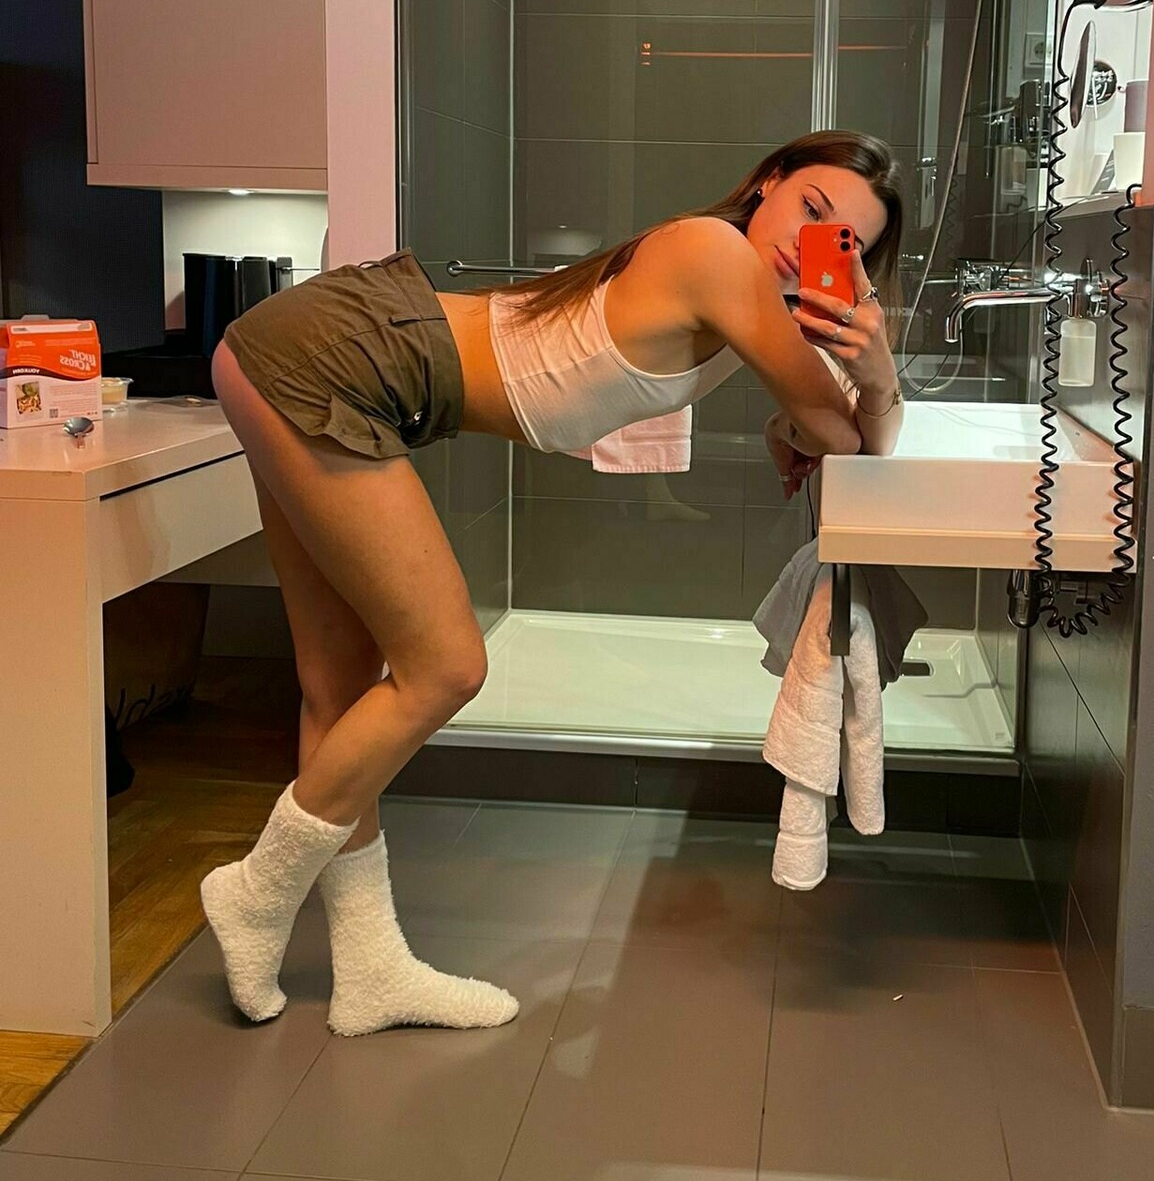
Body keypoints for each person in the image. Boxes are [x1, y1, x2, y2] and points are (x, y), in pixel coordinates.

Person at [201, 130, 906, 1035]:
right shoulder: (720, 255)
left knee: (339, 692)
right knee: (446, 667)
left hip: (330, 354)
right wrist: (875, 374)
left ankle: (370, 968)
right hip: (338, 355)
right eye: (811, 209)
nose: (811, 244)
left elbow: (831, 436)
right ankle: (257, 892)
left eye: (844, 241)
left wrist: (817, 409)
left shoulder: (746, 290)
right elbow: (850, 438)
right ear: (769, 182)